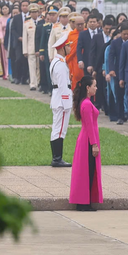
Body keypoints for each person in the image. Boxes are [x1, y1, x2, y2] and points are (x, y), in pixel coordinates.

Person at [70, 75, 104, 212]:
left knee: (87, 170)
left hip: (86, 140)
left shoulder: (85, 103)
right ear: (87, 88)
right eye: (94, 86)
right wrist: (94, 145)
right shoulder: (86, 104)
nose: (96, 88)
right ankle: (84, 202)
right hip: (87, 141)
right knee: (87, 170)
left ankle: (85, 201)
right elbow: (90, 126)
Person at [49, 34, 74, 168]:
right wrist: (67, 103)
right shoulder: (60, 64)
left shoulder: (57, 61)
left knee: (57, 128)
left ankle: (57, 158)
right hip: (61, 100)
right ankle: (57, 158)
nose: (70, 47)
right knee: (59, 130)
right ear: (62, 48)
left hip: (58, 98)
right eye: (68, 46)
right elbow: (63, 85)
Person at [23, 3, 41, 91]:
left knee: (39, 67)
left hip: (40, 48)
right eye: (32, 12)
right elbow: (25, 37)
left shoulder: (41, 22)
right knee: (32, 67)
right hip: (30, 48)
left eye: (36, 12)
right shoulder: (27, 23)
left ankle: (38, 82)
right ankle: (33, 83)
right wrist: (25, 50)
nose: (34, 14)